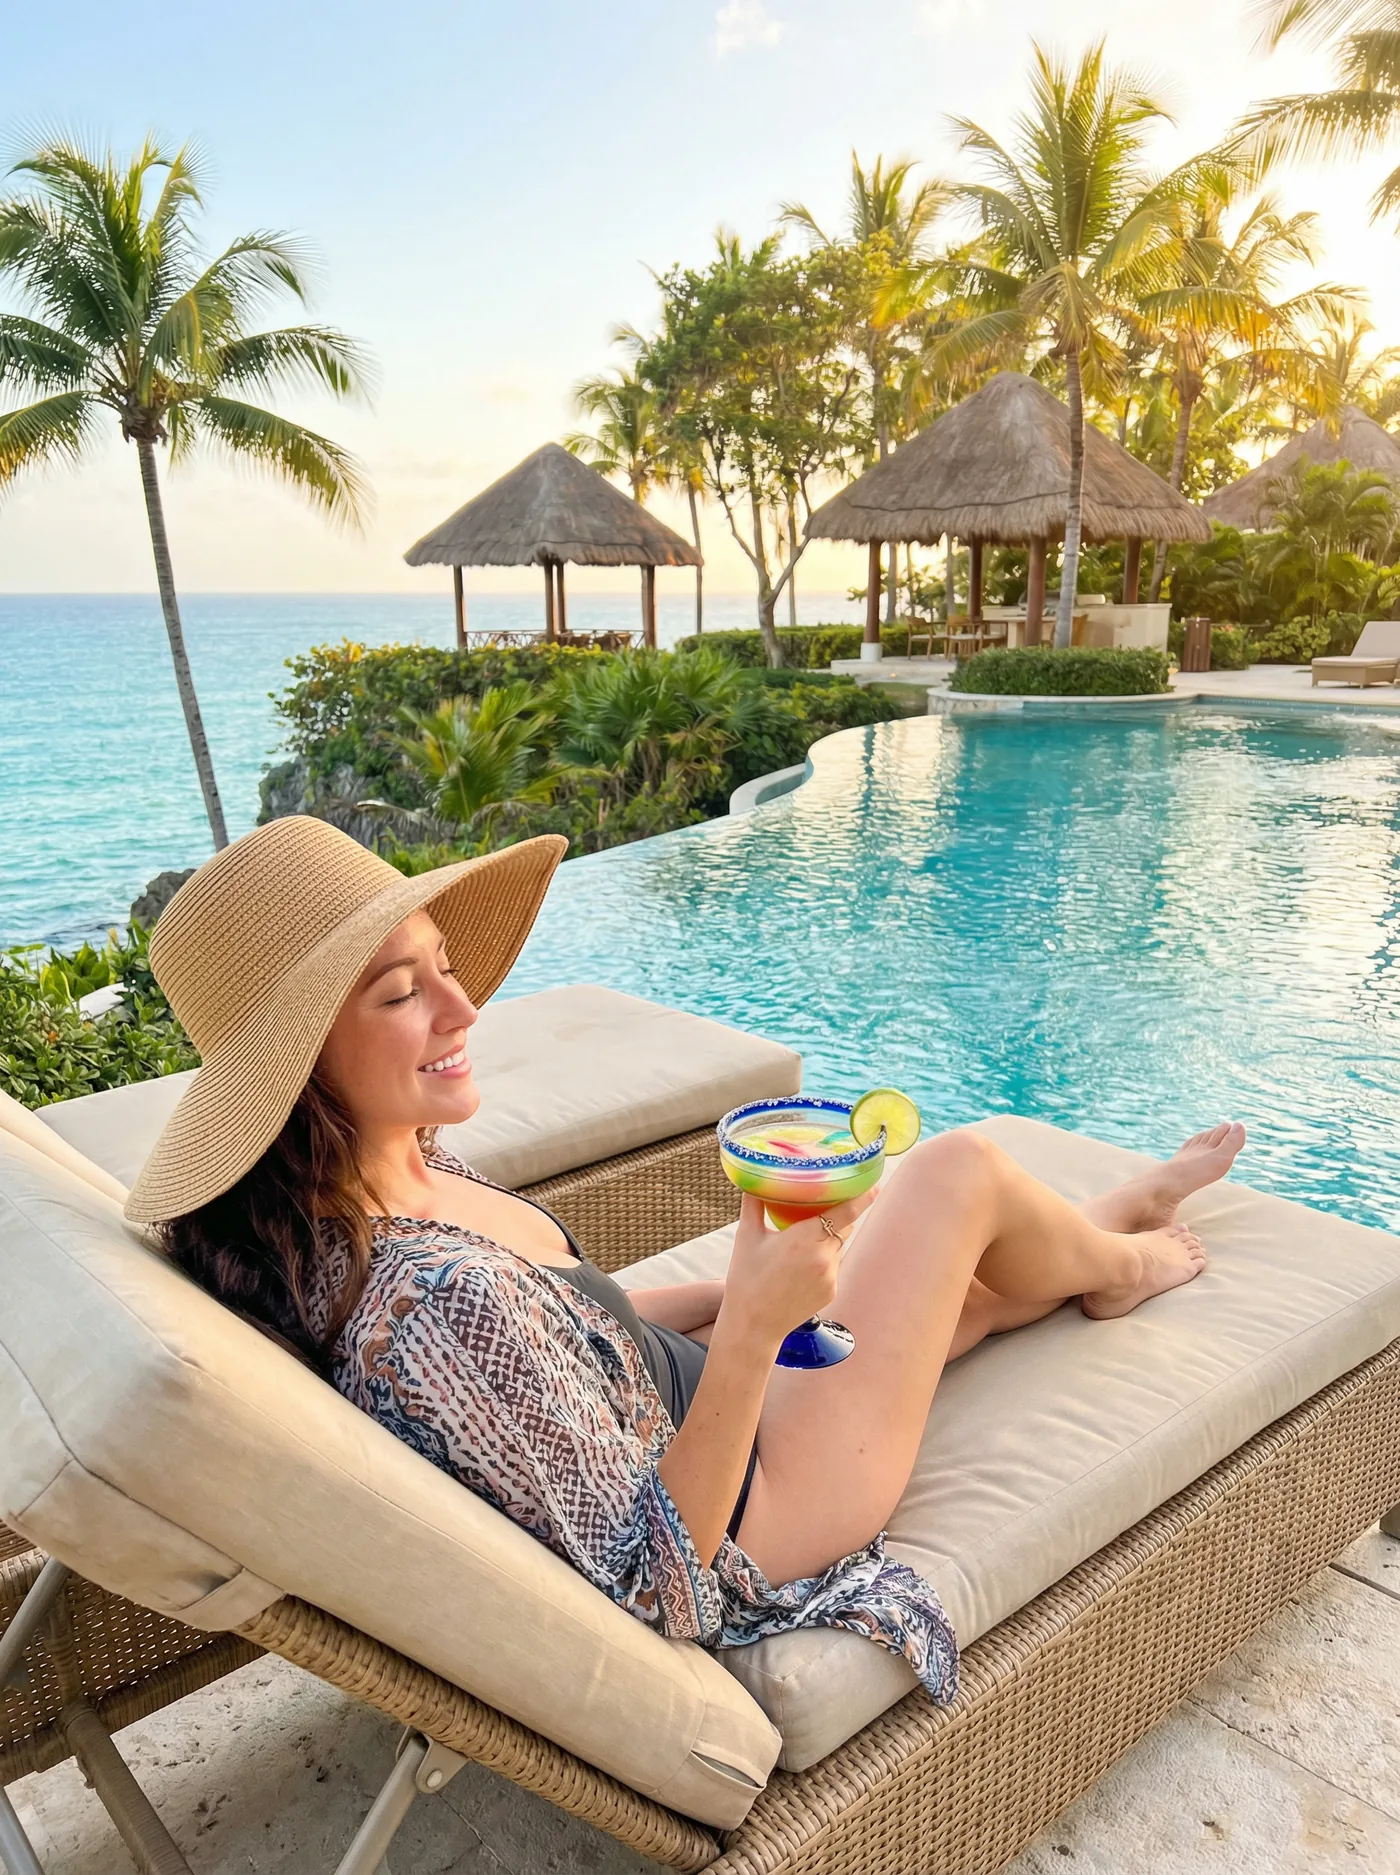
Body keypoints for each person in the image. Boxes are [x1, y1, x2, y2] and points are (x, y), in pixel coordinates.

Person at [127, 816, 1245, 1705]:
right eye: (402, 992)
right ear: (298, 1065)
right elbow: (659, 1585)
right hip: (755, 1509)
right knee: (954, 1172)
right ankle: (1116, 1262)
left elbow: (565, 1328)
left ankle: (1095, 1226)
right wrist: (756, 1328)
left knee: (963, 1290)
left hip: (683, 1399)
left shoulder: (388, 1177)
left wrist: (727, 1297)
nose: (466, 1006)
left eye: (444, 964)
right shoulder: (421, 1308)